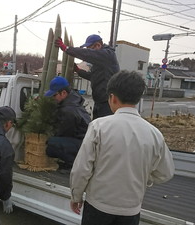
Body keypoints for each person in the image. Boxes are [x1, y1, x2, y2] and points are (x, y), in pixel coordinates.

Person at [69, 70, 175, 225]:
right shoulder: (154, 133)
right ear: (138, 99)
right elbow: (166, 172)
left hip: (98, 205)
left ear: (112, 97)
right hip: (131, 209)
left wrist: (76, 196)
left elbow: (82, 169)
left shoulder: (99, 126)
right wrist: (146, 179)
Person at [55, 34, 120, 119]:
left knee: (104, 129)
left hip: (108, 103)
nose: (89, 51)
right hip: (99, 101)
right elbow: (93, 76)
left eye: (90, 48)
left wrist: (66, 48)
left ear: (98, 45)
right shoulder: (100, 61)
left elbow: (88, 54)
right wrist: (78, 71)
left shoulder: (107, 55)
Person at [44, 76, 91, 169]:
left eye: (54, 95)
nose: (53, 98)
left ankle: (73, 165)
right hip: (84, 143)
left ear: (64, 93)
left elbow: (63, 132)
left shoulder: (69, 110)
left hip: (83, 145)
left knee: (52, 144)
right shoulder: (73, 100)